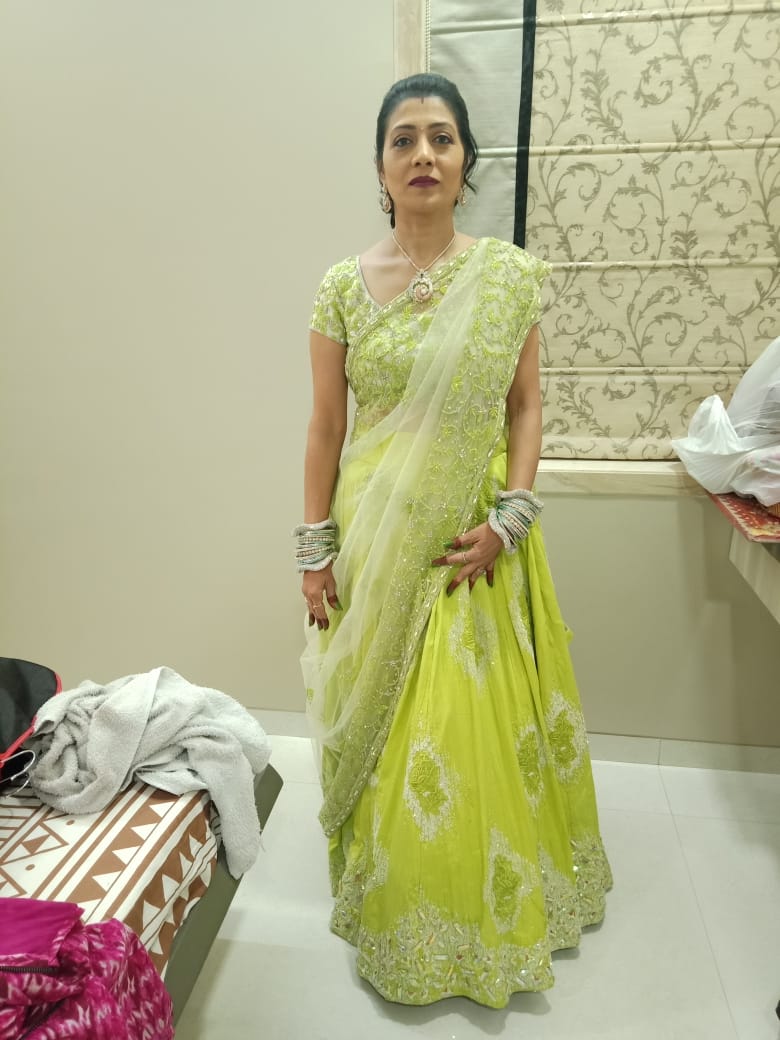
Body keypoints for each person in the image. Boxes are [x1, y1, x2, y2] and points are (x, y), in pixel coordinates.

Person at [295, 72, 611, 1008]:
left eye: (442, 137)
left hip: (474, 541)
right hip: (378, 533)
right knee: (392, 726)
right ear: (381, 167)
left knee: (463, 727)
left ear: (466, 160)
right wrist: (314, 548)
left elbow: (526, 407)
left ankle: (486, 909)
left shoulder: (507, 277)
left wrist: (512, 519)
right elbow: (325, 426)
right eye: (404, 139)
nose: (424, 154)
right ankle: (401, 906)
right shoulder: (341, 287)